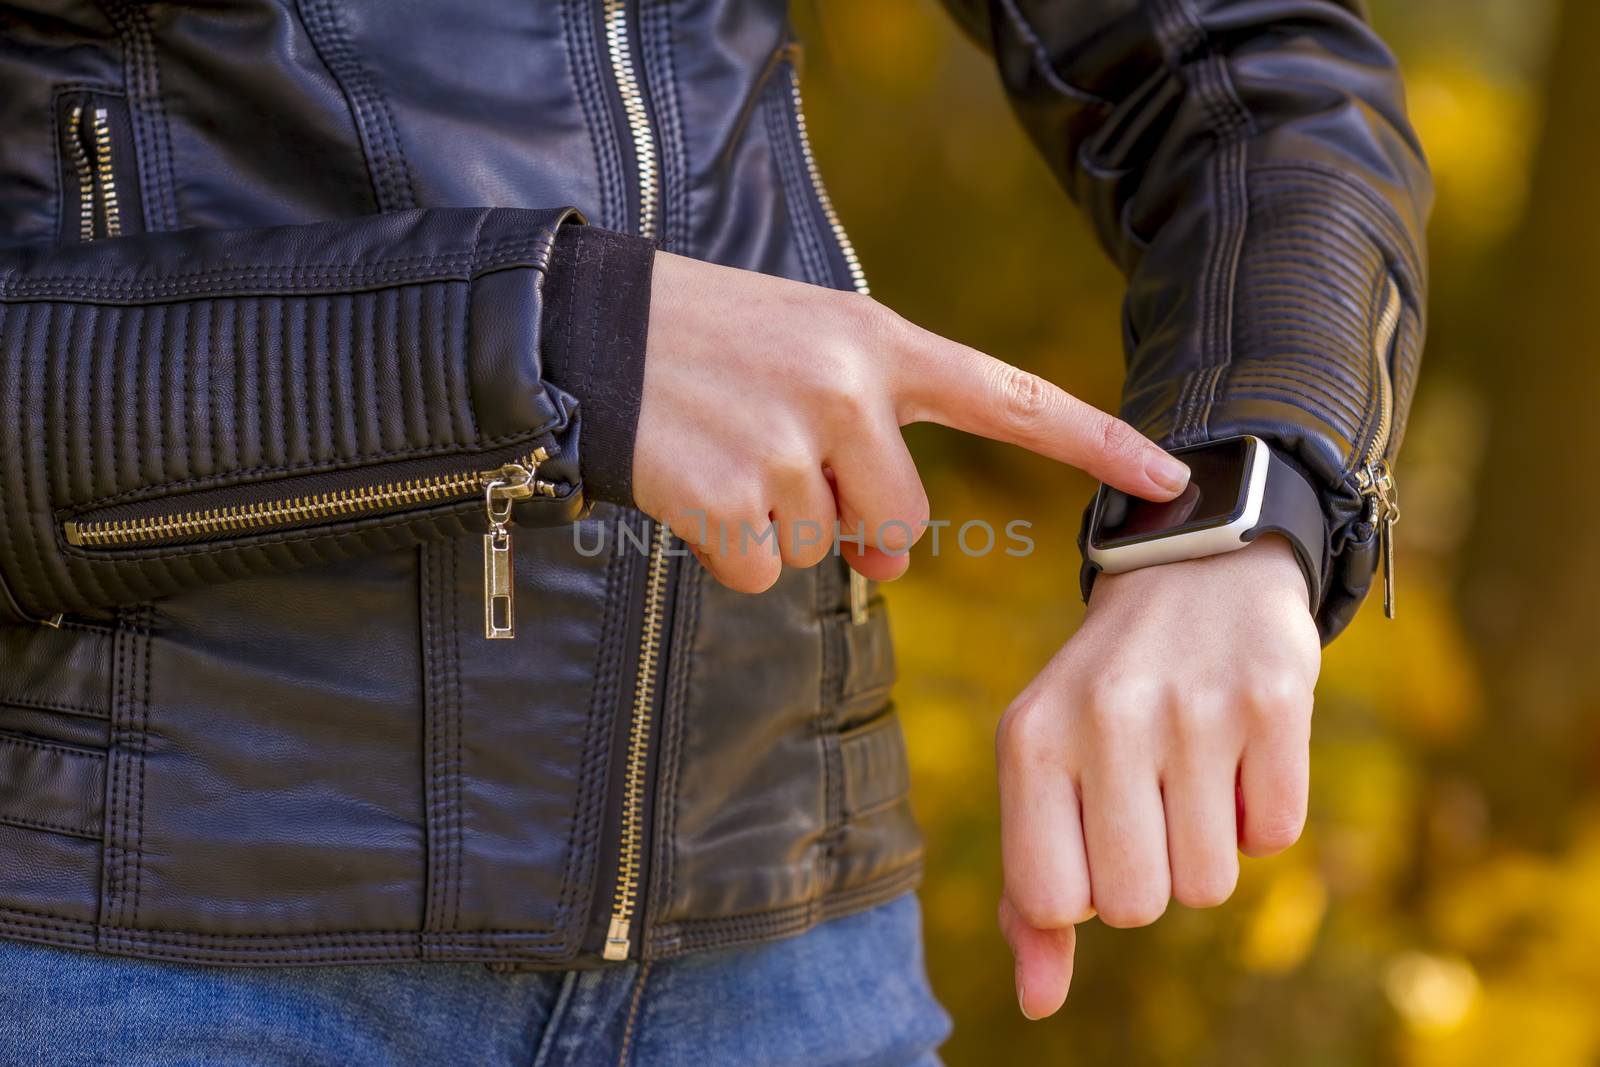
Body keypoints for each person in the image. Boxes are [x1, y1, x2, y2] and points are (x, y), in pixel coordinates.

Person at [0, 0, 1428, 1063]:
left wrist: (1242, 511)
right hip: (127, 955)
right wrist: (551, 347)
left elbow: (1245, 71)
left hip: (786, 953)